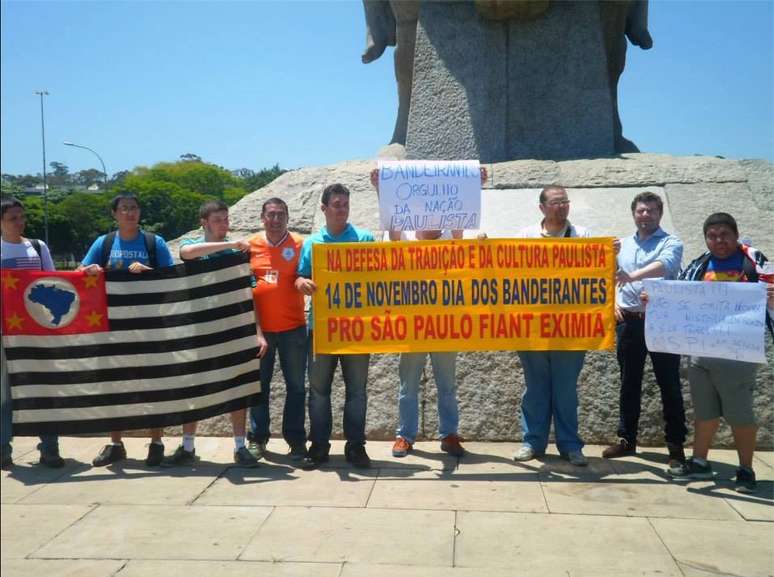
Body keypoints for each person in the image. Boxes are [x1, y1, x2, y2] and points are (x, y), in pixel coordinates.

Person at [665, 213, 774, 493]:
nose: (718, 240)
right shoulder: (700, 264)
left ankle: (746, 469)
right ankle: (700, 462)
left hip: (738, 355)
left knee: (740, 415)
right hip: (701, 354)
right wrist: (655, 300)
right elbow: (681, 294)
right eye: (712, 235)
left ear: (736, 235)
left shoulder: (754, 264)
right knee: (705, 412)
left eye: (724, 234)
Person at [167, 200, 267, 467]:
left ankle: (239, 446)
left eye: (226, 218)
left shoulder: (239, 255)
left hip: (233, 329)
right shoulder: (206, 245)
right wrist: (230, 246)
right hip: (199, 328)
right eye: (218, 219)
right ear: (205, 222)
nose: (224, 224)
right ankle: (187, 446)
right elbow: (187, 252)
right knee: (194, 387)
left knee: (238, 387)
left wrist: (258, 332)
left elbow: (249, 296)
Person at [79, 193, 175, 467]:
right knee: (114, 384)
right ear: (115, 214)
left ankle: (156, 442)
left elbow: (172, 279)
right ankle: (115, 443)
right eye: (124, 209)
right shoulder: (104, 242)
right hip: (113, 325)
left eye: (134, 208)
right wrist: (90, 270)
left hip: (150, 326)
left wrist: (149, 271)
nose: (129, 213)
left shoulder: (153, 242)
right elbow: (80, 271)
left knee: (153, 384)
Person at [603, 191, 687, 468]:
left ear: (660, 214)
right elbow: (610, 276)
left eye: (651, 210)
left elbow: (665, 267)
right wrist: (613, 301)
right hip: (629, 322)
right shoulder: (622, 245)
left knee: (669, 385)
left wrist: (632, 277)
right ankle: (627, 439)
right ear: (633, 213)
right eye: (641, 210)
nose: (646, 215)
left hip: (662, 320)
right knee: (629, 383)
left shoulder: (671, 242)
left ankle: (675, 447)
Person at [295, 184, 375, 469]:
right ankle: (318, 446)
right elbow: (300, 277)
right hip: (321, 330)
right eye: (336, 204)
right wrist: (301, 283)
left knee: (357, 391)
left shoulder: (364, 239)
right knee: (318, 391)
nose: (342, 209)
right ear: (324, 208)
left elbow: (380, 277)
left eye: (345, 204)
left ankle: (356, 446)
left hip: (356, 330)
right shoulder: (312, 243)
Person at [511, 186, 591, 466]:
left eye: (565, 202)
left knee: (566, 389)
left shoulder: (583, 236)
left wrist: (611, 253)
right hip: (532, 327)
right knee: (535, 388)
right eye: (556, 203)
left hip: (570, 328)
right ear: (542, 207)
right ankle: (532, 441)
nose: (562, 207)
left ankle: (570, 445)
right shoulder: (525, 236)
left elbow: (596, 275)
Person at [1, 196, 65, 469]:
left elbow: (54, 282)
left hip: (37, 331)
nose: (19, 222)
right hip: (5, 331)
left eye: (22, 216)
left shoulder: (38, 248)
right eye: (12, 218)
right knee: (4, 394)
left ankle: (49, 447)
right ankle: (3, 448)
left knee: (43, 390)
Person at [247, 198, 308, 461]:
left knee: (296, 387)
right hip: (261, 332)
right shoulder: (249, 245)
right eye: (270, 214)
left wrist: (303, 281)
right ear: (262, 217)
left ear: (287, 217)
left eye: (280, 214)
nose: (275, 219)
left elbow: (306, 273)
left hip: (294, 328)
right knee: (259, 386)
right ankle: (257, 439)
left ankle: (295, 441)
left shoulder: (300, 244)